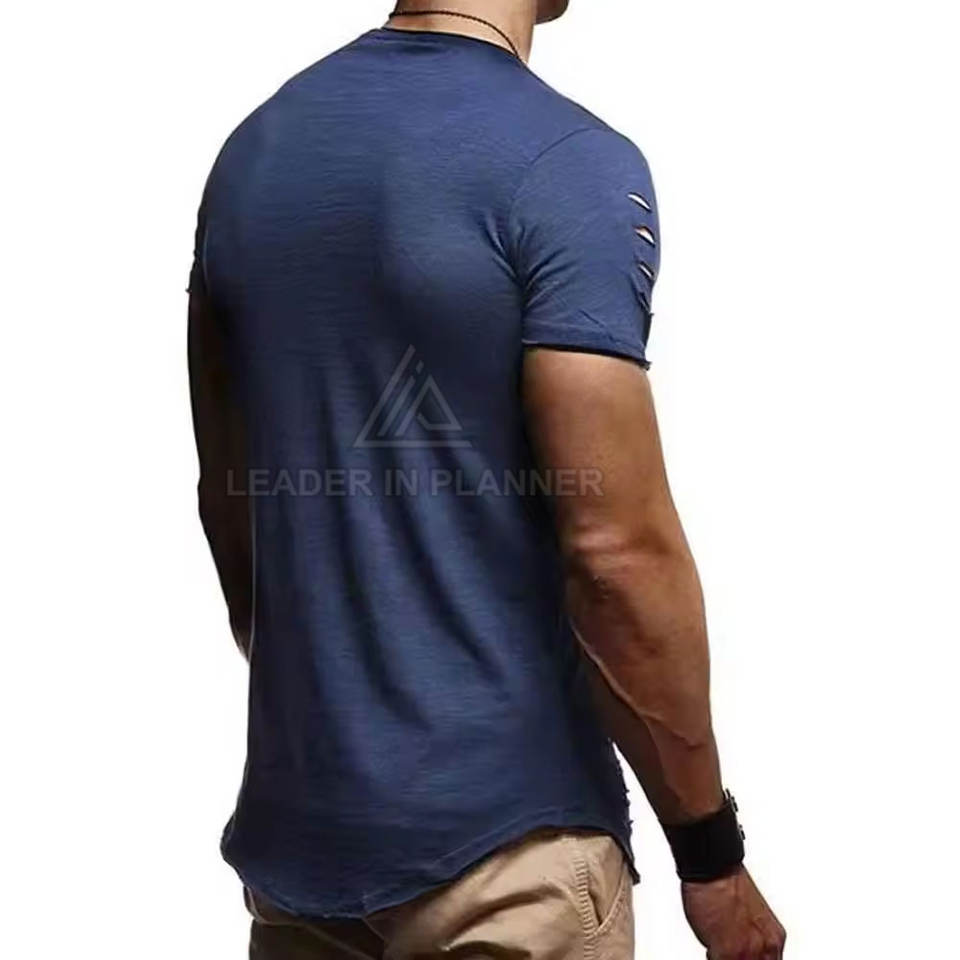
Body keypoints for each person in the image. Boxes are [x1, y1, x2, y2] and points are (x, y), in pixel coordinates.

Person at [188, 2, 786, 957]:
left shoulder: (252, 155)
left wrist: (352, 727)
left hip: (304, 849)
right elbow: (616, 557)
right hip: (509, 861)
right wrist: (710, 852)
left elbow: (233, 504)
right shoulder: (566, 162)